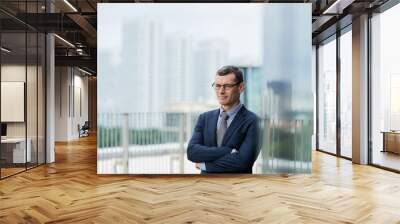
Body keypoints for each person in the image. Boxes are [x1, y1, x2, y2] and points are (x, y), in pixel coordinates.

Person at [187, 65, 260, 173]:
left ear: (240, 88)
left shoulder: (253, 121)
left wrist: (204, 165)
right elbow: (192, 152)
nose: (221, 91)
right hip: (207, 187)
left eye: (227, 86)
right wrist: (228, 151)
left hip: (237, 187)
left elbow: (243, 162)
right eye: (217, 86)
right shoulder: (204, 118)